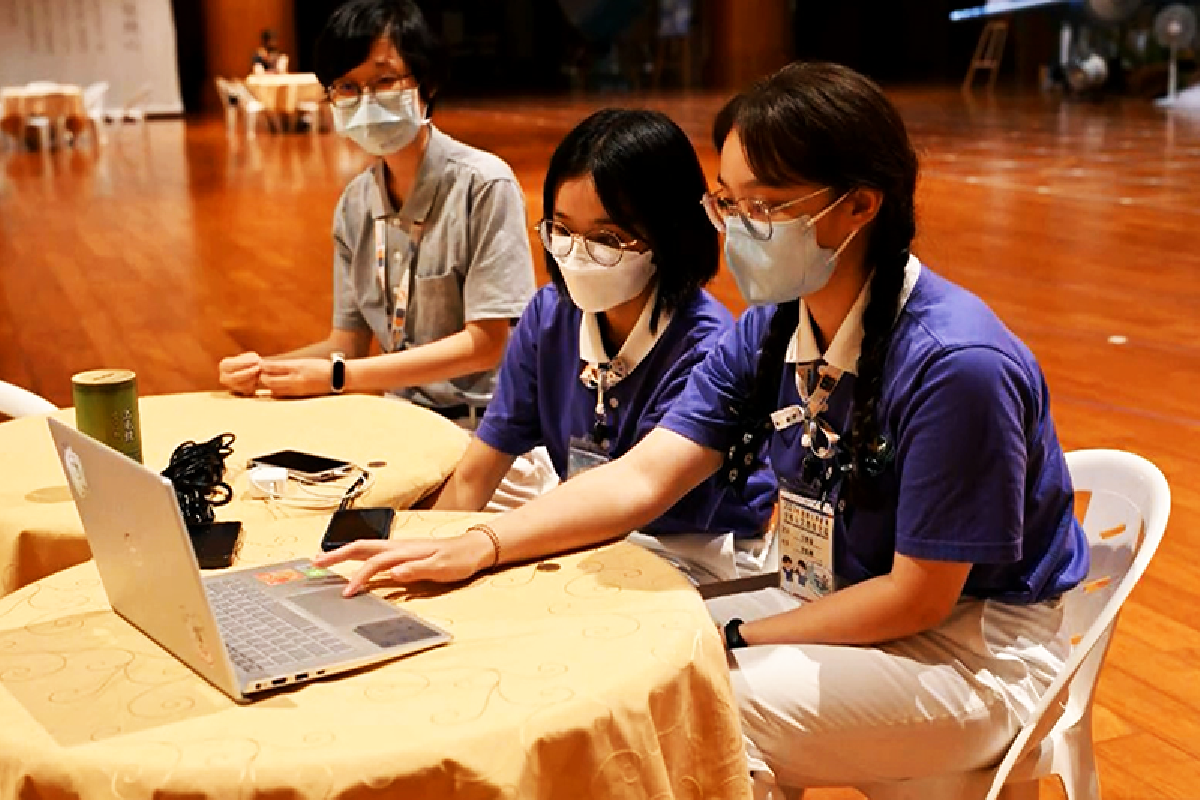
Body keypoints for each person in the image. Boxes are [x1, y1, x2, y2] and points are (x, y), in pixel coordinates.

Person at [316, 61, 1089, 794]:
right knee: (601, 651)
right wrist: (477, 544)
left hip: (972, 650)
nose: (741, 228)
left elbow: (918, 599)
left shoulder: (957, 364)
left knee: (678, 700)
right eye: (729, 202)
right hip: (838, 602)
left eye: (768, 206)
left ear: (860, 204)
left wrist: (737, 635)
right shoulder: (774, 328)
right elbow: (643, 475)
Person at [426, 108, 775, 579]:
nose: (576, 253)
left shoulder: (706, 346)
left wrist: (482, 545)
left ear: (669, 235)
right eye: (561, 230)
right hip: (584, 520)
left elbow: (638, 495)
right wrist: (426, 555)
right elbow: (476, 473)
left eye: (606, 237)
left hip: (692, 547)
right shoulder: (550, 314)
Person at [220, 0, 536, 432]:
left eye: (385, 80)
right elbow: (345, 344)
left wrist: (338, 378)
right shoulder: (355, 204)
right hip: (399, 420)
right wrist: (262, 370)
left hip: (487, 431)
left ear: (426, 83)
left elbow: (486, 345)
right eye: (347, 87)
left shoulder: (484, 185)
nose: (366, 99)